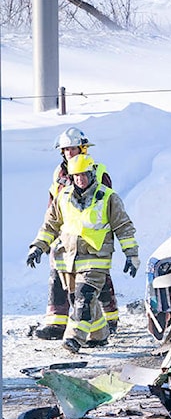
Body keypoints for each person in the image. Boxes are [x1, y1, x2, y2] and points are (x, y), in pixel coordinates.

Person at [27, 153, 140, 353]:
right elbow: (50, 225)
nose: (80, 179)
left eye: (84, 175)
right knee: (82, 300)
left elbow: (123, 226)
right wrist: (38, 247)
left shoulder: (107, 197)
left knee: (83, 298)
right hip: (68, 259)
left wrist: (131, 255)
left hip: (96, 258)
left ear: (92, 174)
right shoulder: (64, 197)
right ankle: (99, 334)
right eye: (76, 176)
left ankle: (74, 338)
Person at [34, 127, 123, 340]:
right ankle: (57, 322)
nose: (68, 153)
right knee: (59, 276)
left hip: (93, 239)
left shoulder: (97, 170)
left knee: (95, 282)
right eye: (65, 150)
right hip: (66, 236)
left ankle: (109, 319)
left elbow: (106, 205)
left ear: (82, 148)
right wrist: (46, 238)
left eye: (72, 149)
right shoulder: (60, 173)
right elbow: (53, 204)